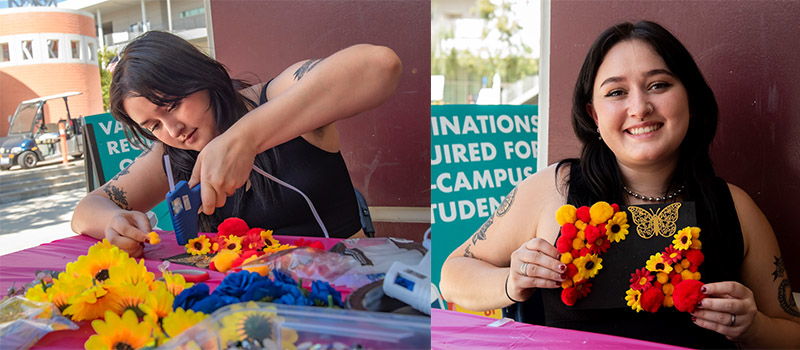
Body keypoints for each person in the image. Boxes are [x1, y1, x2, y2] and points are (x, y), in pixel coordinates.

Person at [440, 21, 800, 348]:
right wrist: (511, 281)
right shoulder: (552, 189)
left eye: (658, 85)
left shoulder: (733, 206)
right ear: (594, 115)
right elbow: (452, 274)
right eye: (616, 92)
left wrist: (753, 327)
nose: (640, 108)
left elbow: (790, 330)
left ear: (690, 100)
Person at [71, 31, 401, 258]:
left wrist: (243, 138)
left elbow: (380, 66)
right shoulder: (173, 155)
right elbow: (87, 209)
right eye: (153, 125)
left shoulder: (276, 98)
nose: (173, 129)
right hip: (251, 309)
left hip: (350, 287)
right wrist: (115, 223)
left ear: (198, 76)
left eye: (172, 105)